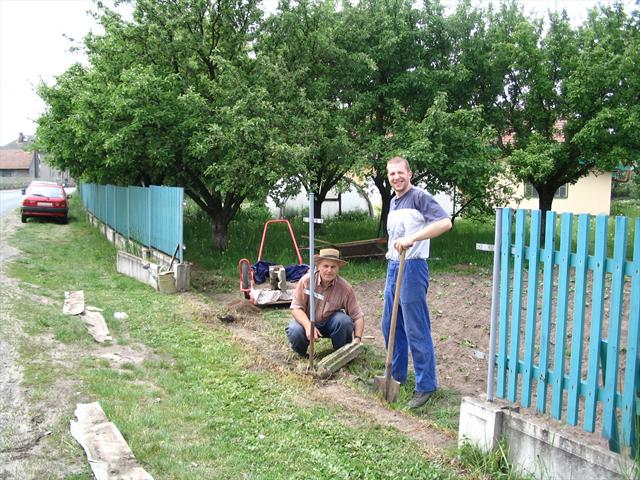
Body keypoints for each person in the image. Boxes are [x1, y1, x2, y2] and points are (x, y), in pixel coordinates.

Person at [382, 156, 452, 409]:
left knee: (415, 327)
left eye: (400, 172)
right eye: (391, 174)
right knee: (390, 324)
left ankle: (426, 385)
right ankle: (396, 376)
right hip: (394, 265)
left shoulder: (420, 197)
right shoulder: (393, 201)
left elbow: (445, 222)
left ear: (409, 173)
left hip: (412, 266)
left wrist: (413, 238)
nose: (396, 177)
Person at [286, 248, 364, 356]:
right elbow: (296, 308)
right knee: (295, 330)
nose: (329, 270)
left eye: (333, 267)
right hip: (308, 321)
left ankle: (342, 353)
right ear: (318, 266)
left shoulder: (345, 288)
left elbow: (357, 316)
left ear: (338, 269)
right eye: (325, 266)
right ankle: (301, 353)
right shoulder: (306, 281)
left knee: (344, 321)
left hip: (330, 324)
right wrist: (308, 326)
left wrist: (357, 339)